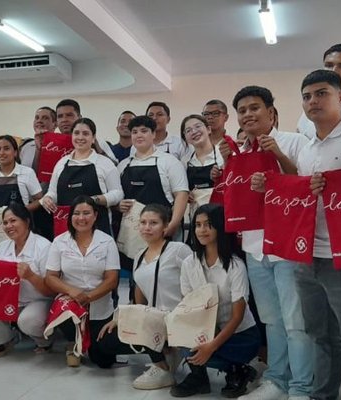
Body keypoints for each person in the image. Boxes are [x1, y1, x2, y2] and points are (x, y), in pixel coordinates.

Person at [261, 69, 341, 400]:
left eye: (321, 93)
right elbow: (298, 192)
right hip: (306, 252)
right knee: (318, 334)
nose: (313, 101)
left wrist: (335, 187)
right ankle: (322, 394)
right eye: (306, 96)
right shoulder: (307, 146)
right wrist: (271, 184)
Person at [220, 86, 313, 400]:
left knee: (295, 319)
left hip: (287, 244)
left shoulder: (294, 141)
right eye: (242, 110)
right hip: (254, 245)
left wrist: (277, 158)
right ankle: (276, 379)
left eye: (255, 108)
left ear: (271, 112)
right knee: (271, 319)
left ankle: (301, 385)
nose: (248, 114)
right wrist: (226, 167)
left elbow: (305, 185)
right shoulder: (238, 152)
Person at [92, 204, 193, 389]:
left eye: (153, 223)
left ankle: (162, 367)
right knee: (103, 343)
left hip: (178, 318)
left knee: (148, 320)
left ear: (165, 226)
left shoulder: (178, 249)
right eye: (143, 222)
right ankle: (160, 350)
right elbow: (140, 299)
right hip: (154, 318)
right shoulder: (139, 255)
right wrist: (122, 318)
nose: (147, 227)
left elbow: (195, 287)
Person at [170, 203, 261, 398]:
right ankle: (198, 378)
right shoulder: (189, 263)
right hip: (207, 329)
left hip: (240, 334)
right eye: (198, 224)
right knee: (185, 343)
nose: (202, 230)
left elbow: (237, 317)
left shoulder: (236, 266)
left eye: (208, 225)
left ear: (220, 226)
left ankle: (238, 369)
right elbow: (189, 305)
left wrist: (212, 345)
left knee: (211, 350)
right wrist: (202, 336)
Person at [45, 196, 120, 367]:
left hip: (99, 306)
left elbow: (112, 280)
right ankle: (73, 340)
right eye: (76, 213)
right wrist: (73, 292)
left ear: (95, 216)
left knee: (103, 361)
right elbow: (50, 277)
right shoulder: (60, 242)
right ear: (70, 217)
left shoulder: (107, 241)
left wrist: (90, 296)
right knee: (69, 325)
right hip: (71, 305)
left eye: (86, 213)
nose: (81, 218)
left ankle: (86, 343)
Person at [0, 202, 54, 357]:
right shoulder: (3, 246)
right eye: (5, 223)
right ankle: (5, 340)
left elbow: (51, 290)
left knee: (28, 321)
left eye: (13, 221)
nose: (9, 226)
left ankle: (45, 341)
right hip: (10, 301)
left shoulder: (44, 247)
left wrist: (30, 276)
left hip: (39, 300)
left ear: (27, 221)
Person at [41, 117, 123, 235]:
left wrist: (96, 200)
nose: (80, 137)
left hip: (98, 227)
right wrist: (48, 199)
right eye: (76, 133)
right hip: (66, 228)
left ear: (93, 138)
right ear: (72, 136)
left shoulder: (104, 163)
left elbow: (118, 193)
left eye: (85, 134)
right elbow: (53, 192)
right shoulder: (61, 163)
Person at [118, 115, 189, 240]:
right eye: (134, 132)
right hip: (130, 232)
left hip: (162, 229)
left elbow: (181, 194)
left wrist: (173, 224)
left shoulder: (169, 162)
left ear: (154, 134)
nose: (139, 135)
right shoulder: (123, 165)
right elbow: (117, 196)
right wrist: (118, 205)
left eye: (144, 131)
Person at [0, 135, 43, 211]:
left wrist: (22, 211)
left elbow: (39, 199)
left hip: (21, 220)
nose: (1, 153)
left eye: (6, 149)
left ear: (15, 152)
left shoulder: (27, 172)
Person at [55, 99, 118, 163]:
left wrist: (99, 151)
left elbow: (114, 166)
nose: (64, 120)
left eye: (69, 115)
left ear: (79, 117)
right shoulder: (52, 145)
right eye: (60, 116)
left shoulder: (98, 142)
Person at [182, 114, 224, 197]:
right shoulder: (184, 161)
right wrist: (186, 194)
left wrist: (221, 177)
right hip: (196, 208)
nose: (194, 132)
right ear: (185, 137)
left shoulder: (223, 154)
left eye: (197, 126)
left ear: (208, 129)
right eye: (188, 130)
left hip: (221, 206)